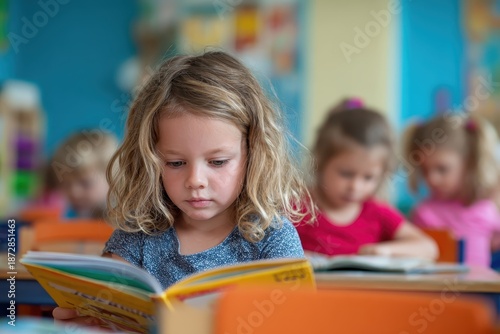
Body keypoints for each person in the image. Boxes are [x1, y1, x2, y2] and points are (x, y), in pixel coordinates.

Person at [53, 51, 311, 326]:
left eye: (218, 161)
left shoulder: (273, 239)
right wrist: (90, 324)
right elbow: (108, 313)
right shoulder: (137, 236)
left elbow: (298, 323)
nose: (196, 180)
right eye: (175, 163)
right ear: (151, 159)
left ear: (253, 153)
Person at [296, 98, 437, 260]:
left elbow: (429, 248)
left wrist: (386, 251)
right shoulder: (297, 209)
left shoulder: (377, 213)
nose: (355, 186)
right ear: (320, 162)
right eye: (346, 173)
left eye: (368, 177)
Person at [405, 113, 500, 268]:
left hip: (483, 289)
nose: (431, 179)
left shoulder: (487, 208)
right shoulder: (423, 213)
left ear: (469, 163)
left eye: (442, 169)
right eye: (425, 170)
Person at [50, 130, 118, 219]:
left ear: (112, 179)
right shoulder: (77, 216)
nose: (74, 193)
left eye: (86, 183)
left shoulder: (120, 222)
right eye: (66, 184)